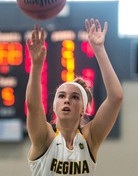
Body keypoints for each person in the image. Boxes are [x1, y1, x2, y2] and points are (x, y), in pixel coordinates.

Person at [25, 18, 123, 176]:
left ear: (83, 109)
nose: (67, 100)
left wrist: (99, 49)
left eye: (75, 97)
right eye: (61, 96)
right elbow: (33, 106)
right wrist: (36, 66)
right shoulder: (45, 137)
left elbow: (116, 97)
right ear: (54, 105)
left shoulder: (90, 138)